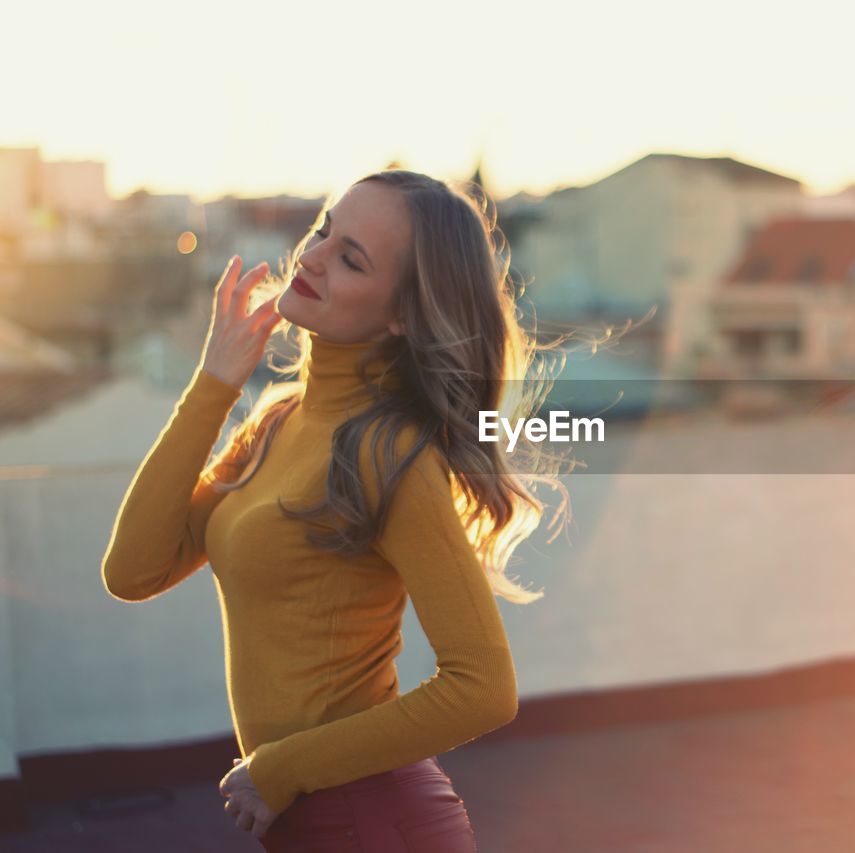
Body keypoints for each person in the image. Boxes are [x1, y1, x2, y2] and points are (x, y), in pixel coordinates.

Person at [101, 170, 565, 851]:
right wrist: (213, 386)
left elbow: (484, 687)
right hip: (321, 822)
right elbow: (133, 569)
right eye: (323, 229)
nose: (312, 256)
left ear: (401, 313)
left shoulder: (388, 453)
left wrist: (282, 770)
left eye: (352, 259)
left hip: (375, 820)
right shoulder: (278, 419)